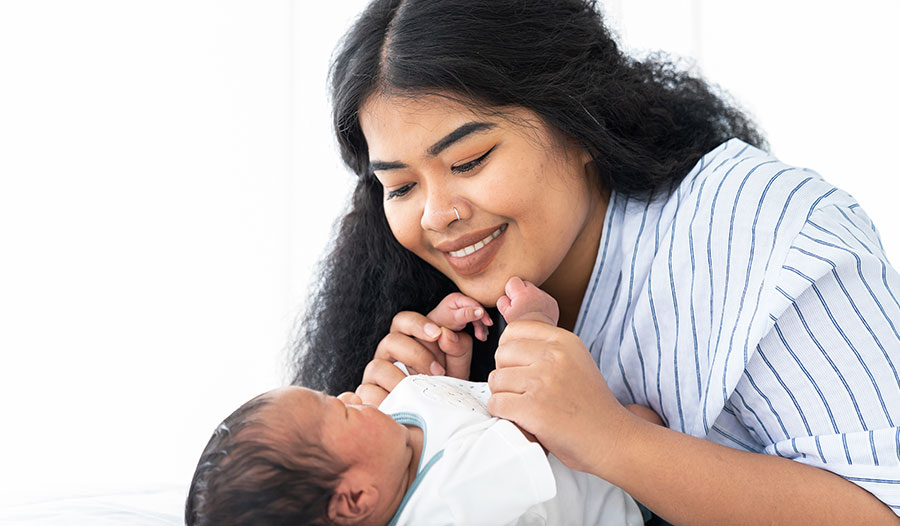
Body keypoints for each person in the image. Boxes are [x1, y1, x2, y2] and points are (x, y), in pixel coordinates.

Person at [291, 0, 900, 523]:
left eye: (469, 161)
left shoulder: (773, 230)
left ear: (581, 120)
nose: (435, 216)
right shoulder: (433, 327)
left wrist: (612, 440)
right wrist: (416, 437)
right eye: (400, 188)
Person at [186, 279, 650, 526]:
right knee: (641, 420)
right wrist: (533, 324)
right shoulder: (451, 505)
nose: (349, 395)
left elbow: (421, 384)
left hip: (571, 443)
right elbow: (533, 424)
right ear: (354, 500)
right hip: (613, 498)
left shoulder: (389, 449)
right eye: (341, 411)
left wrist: (441, 327)